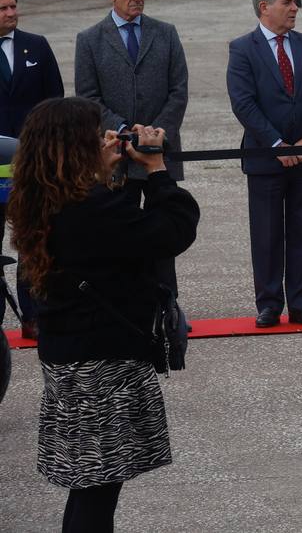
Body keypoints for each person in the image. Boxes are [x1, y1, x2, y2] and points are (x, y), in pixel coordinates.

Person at [7, 97, 199, 532]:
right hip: (101, 363)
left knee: (92, 482)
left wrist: (112, 173)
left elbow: (116, 237)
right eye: (96, 136)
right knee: (98, 488)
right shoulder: (89, 209)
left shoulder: (45, 198)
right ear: (74, 148)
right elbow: (172, 230)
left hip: (71, 354)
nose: (108, 139)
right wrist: (155, 169)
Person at [74, 0, 189, 294]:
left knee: (162, 233)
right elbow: (88, 97)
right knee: (116, 233)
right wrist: (124, 131)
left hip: (158, 154)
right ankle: (122, 303)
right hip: (115, 156)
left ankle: (166, 304)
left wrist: (155, 134)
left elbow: (178, 90)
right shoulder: (90, 40)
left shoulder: (166, 33)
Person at [226, 0, 302, 328]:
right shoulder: (243, 49)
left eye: (295, 2)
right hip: (265, 159)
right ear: (264, 7)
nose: (294, 7)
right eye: (287, 2)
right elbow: (243, 102)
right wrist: (276, 145)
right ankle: (269, 304)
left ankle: (301, 304)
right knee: (267, 233)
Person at [0, 0, 65, 341]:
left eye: (13, 6)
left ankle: (33, 315)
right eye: (3, 9)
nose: (11, 13)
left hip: (31, 167)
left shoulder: (36, 46)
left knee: (31, 243)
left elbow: (55, 102)